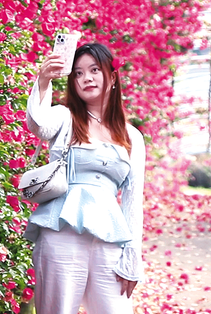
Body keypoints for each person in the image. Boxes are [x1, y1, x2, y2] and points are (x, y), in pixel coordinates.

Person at [24, 42, 146, 314]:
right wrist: (43, 81)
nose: (86, 78)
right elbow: (39, 125)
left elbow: (132, 199)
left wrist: (132, 256)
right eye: (77, 73)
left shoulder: (132, 136)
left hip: (109, 237)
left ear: (112, 77)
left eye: (94, 70)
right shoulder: (65, 118)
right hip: (61, 231)